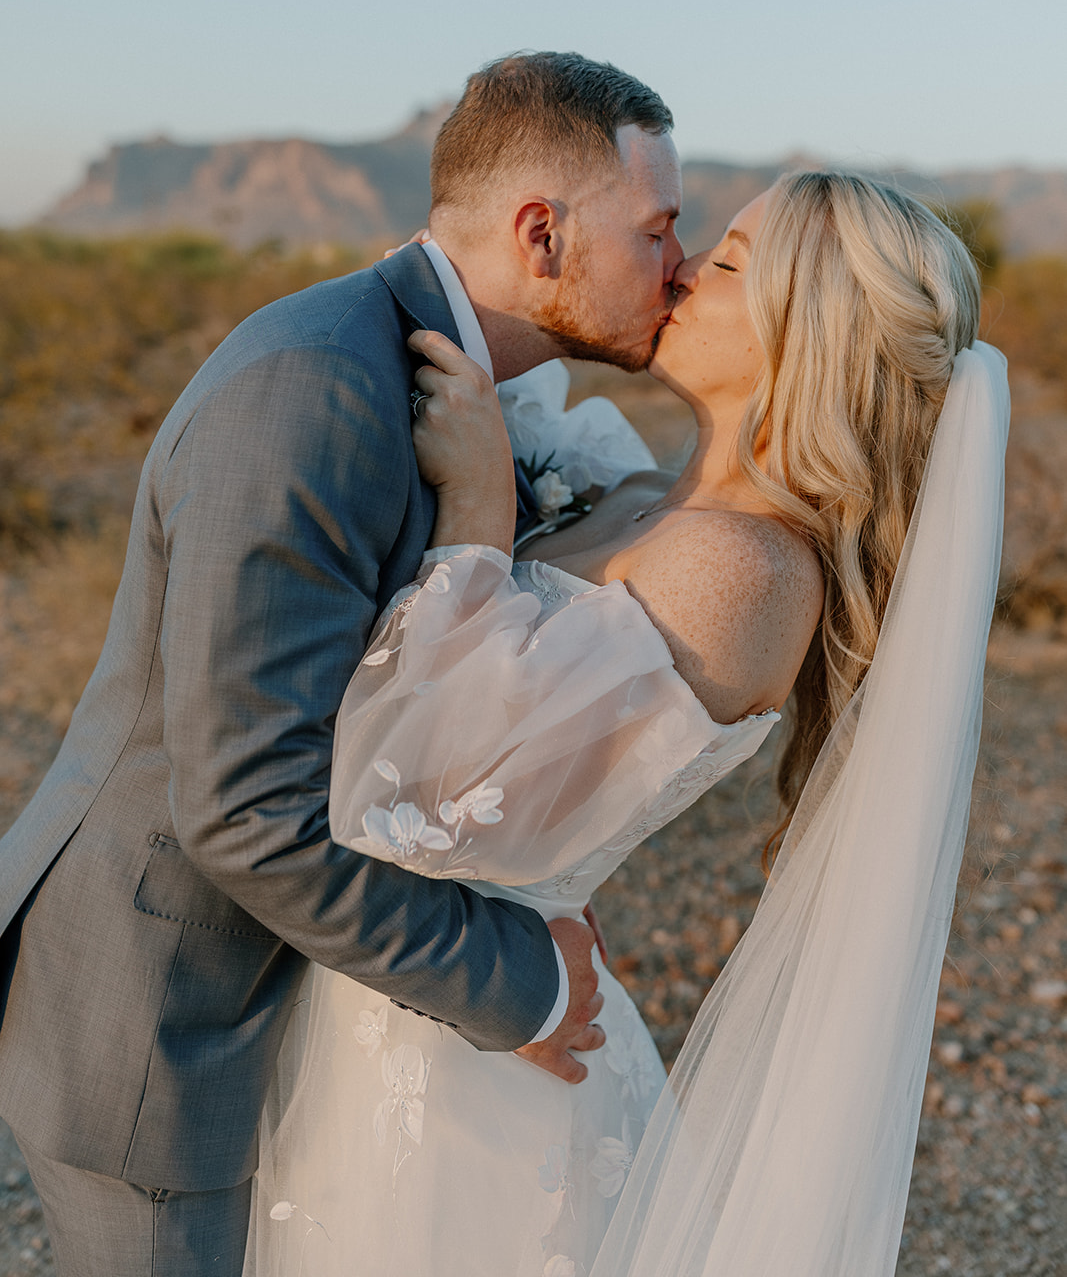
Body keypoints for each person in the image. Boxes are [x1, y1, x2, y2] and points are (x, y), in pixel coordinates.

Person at [245, 170, 1008, 1277]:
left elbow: (418, 800)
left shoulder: (739, 570)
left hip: (470, 1053)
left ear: (816, 336)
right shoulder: (645, 496)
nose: (687, 269)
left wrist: (476, 513)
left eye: (734, 264)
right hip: (409, 980)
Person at [0, 51, 687, 1277]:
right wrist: (516, 982)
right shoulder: (317, 386)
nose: (676, 265)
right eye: (657, 229)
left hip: (280, 993)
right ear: (542, 234)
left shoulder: (446, 377)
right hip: (158, 1015)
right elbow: (245, 810)